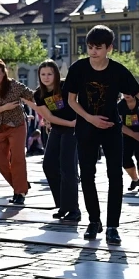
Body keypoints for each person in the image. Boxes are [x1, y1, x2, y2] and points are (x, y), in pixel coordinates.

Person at [65, 25, 139, 245]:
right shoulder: (78, 68)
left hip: (112, 130)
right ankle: (94, 221)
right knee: (87, 176)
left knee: (115, 177)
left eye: (98, 47)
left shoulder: (118, 70)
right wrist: (89, 118)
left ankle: (112, 227)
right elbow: (71, 100)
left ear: (109, 48)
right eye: (90, 47)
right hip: (86, 128)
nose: (93, 51)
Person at [0, 59, 34, 205]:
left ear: (4, 73)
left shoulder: (14, 86)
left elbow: (32, 95)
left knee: (17, 158)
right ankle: (21, 185)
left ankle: (20, 192)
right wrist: (5, 107)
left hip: (17, 125)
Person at [32, 60, 79, 221]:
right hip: (59, 128)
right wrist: (69, 123)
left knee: (68, 168)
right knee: (49, 165)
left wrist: (76, 122)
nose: (46, 77)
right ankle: (62, 205)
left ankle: (74, 209)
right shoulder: (39, 94)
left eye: (49, 74)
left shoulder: (66, 86)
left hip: (73, 130)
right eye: (43, 74)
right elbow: (49, 117)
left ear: (56, 75)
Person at [118, 93, 139, 192]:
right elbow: (119, 123)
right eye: (124, 93)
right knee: (125, 158)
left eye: (129, 92)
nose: (127, 95)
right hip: (127, 135)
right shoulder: (120, 105)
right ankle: (135, 179)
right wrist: (132, 134)